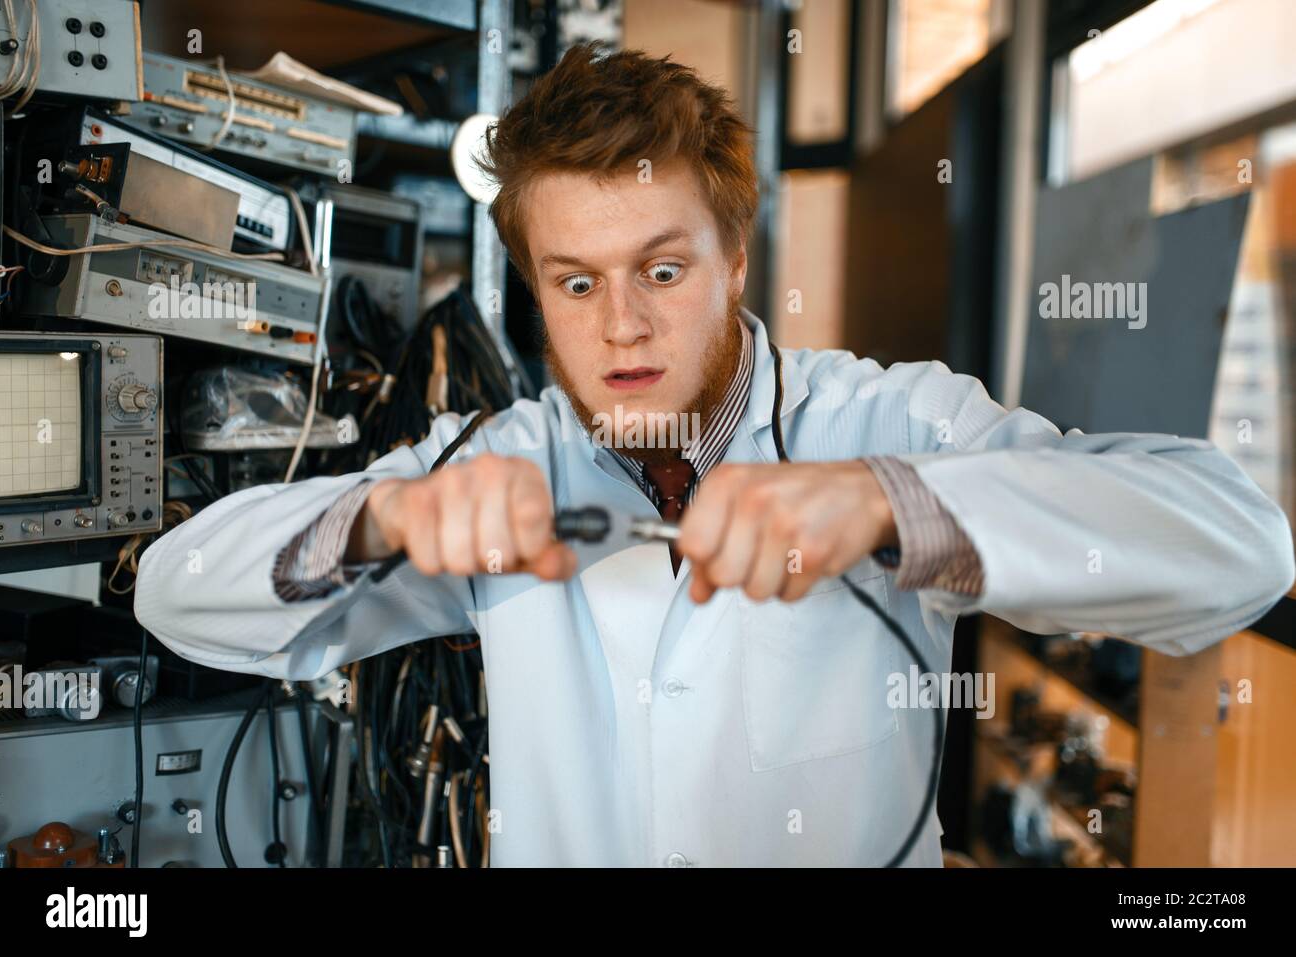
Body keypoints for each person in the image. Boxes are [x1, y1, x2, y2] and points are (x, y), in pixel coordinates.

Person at [135, 43, 1295, 867]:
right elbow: (176, 595)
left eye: (664, 269)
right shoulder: (497, 456)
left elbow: (1240, 545)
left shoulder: (884, 424)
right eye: (574, 283)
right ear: (533, 288)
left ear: (737, 257)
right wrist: (378, 523)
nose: (621, 326)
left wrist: (893, 503)